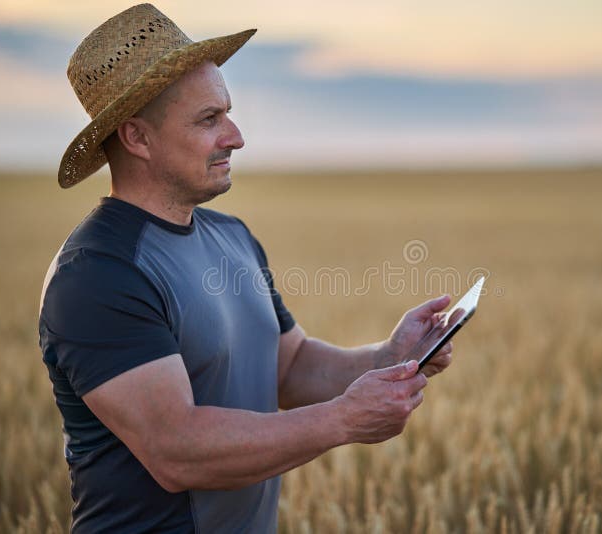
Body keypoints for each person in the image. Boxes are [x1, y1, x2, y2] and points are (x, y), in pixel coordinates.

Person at [39, 4, 454, 532]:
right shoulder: (97, 273)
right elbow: (178, 450)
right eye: (209, 119)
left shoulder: (232, 237)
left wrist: (390, 356)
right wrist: (344, 418)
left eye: (227, 113)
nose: (235, 136)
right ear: (137, 138)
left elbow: (287, 366)